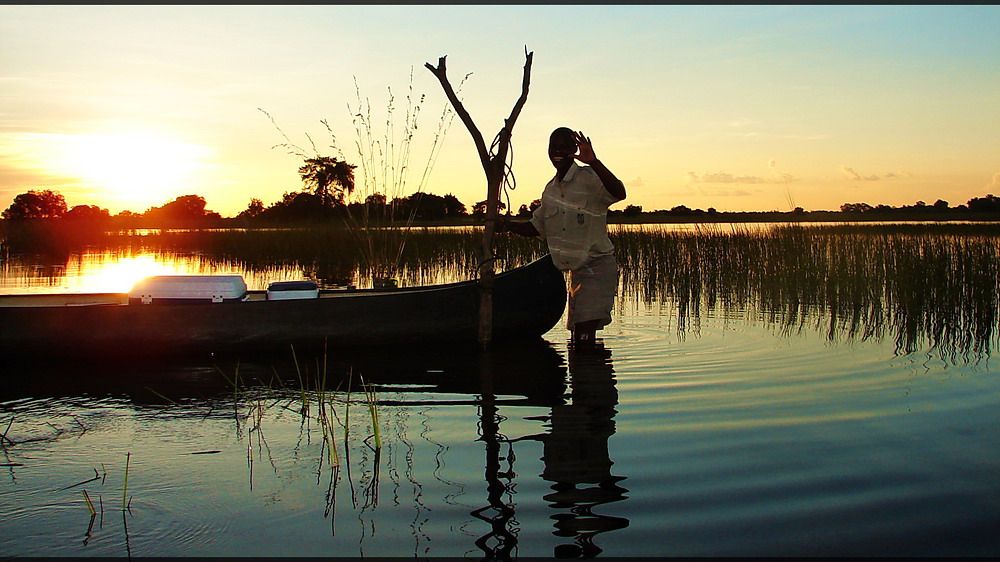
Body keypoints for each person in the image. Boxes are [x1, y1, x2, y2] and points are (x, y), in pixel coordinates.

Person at [498, 127, 626, 345]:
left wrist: (593, 161)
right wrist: (507, 225)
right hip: (576, 272)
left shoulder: (589, 177)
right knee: (577, 334)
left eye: (564, 147)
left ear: (574, 149)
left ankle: (589, 375)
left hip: (597, 267)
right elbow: (536, 227)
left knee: (584, 335)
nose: (558, 151)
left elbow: (619, 193)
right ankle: (581, 376)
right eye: (553, 147)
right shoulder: (551, 190)